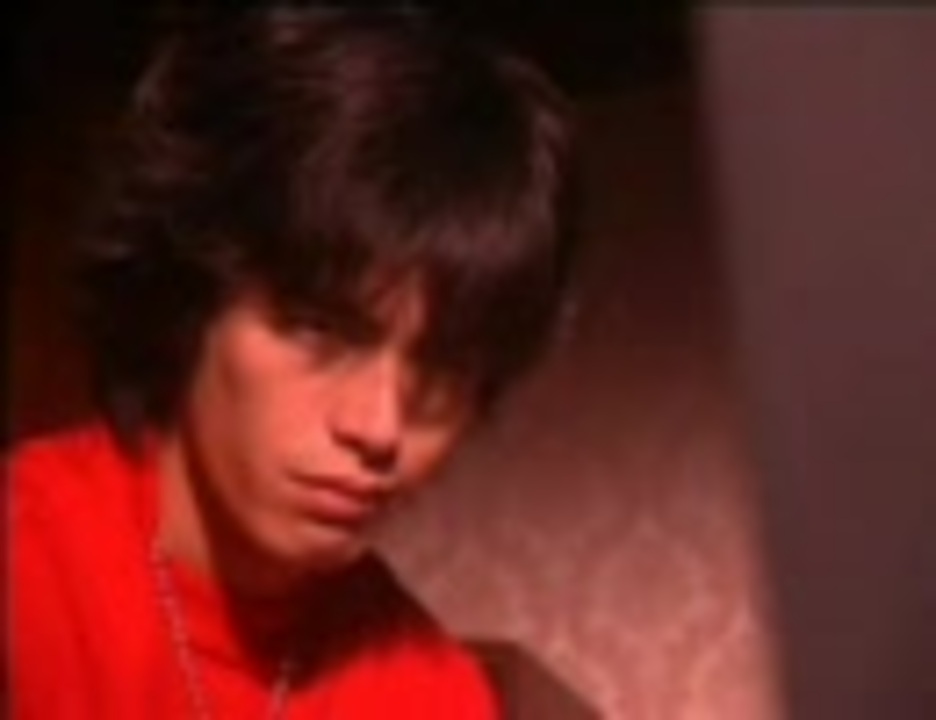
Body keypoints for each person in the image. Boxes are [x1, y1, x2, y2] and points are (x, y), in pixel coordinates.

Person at [9, 5, 578, 719]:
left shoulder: (435, 695)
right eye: (321, 331)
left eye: (439, 376)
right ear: (197, 294)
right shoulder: (29, 567)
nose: (378, 427)